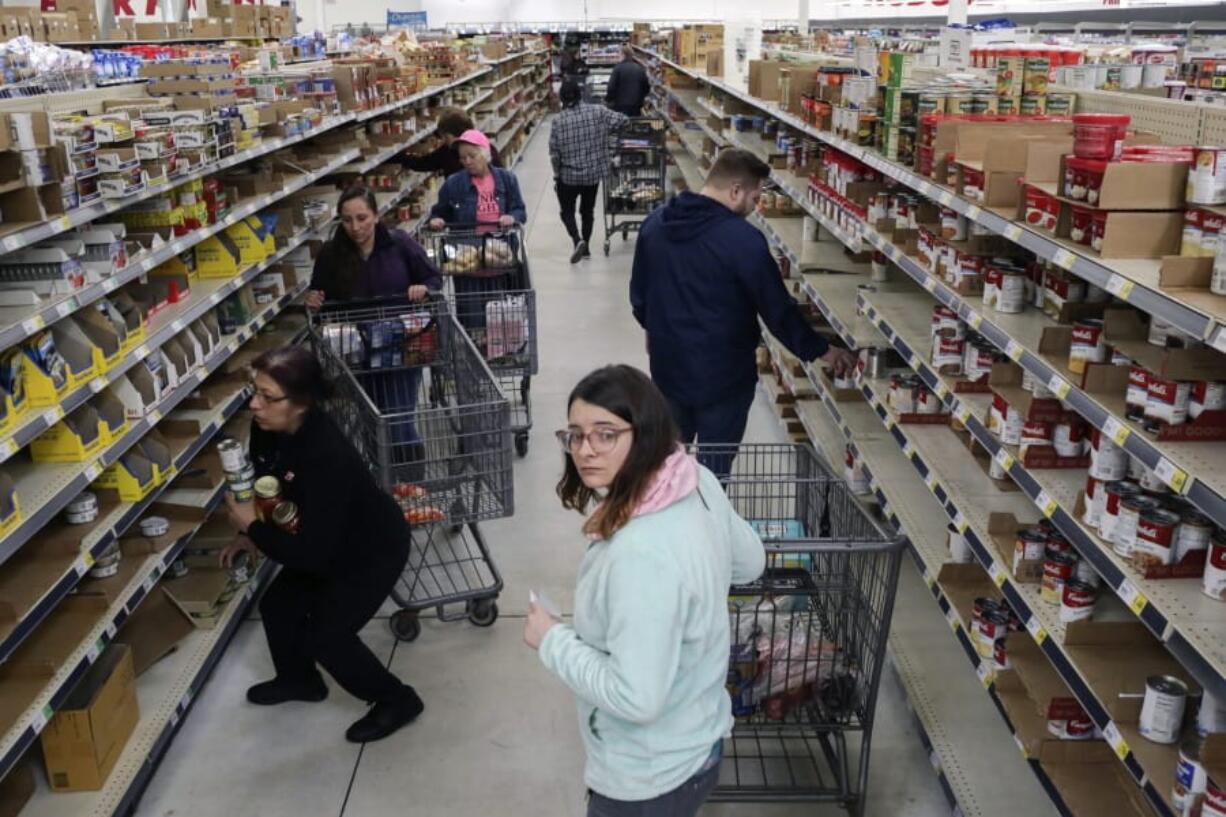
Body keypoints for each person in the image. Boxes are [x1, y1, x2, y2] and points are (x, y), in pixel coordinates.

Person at [523, 364, 766, 817]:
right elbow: (751, 562)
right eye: (575, 435)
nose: (585, 450)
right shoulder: (694, 480)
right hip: (701, 739)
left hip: (649, 777)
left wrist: (552, 640)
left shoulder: (640, 554)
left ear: (644, 433)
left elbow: (636, 697)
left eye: (605, 434)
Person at [221, 346, 424, 744]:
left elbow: (312, 555)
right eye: (254, 390)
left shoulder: (326, 455)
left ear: (302, 403)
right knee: (277, 606)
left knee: (328, 635)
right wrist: (248, 531)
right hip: (323, 536)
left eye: (267, 396)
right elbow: (269, 485)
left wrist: (256, 530)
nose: (254, 404)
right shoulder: (267, 430)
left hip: (371, 548)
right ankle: (300, 680)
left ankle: (397, 700)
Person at [629, 148, 858, 477]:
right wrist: (823, 350)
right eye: (754, 198)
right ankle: (708, 524)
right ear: (735, 190)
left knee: (664, 470)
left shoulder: (653, 226)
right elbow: (777, 311)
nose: (754, 208)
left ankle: (668, 522)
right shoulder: (744, 241)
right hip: (725, 380)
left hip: (669, 371)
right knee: (713, 473)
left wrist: (657, 330)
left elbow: (639, 297)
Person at [307, 186, 442, 465]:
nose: (355, 227)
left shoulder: (400, 244)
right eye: (347, 220)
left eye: (362, 218)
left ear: (376, 216)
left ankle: (410, 482)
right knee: (370, 420)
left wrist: (422, 288)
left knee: (399, 420)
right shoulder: (331, 255)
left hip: (402, 347)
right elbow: (319, 300)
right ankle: (382, 482)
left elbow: (433, 279)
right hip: (357, 352)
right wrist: (314, 301)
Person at [549, 78, 628, 263]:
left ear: (562, 98)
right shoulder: (598, 111)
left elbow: (554, 154)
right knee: (587, 211)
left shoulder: (558, 121)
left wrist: (556, 175)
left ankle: (577, 240)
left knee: (566, 211)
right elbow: (623, 120)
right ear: (580, 94)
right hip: (592, 175)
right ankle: (586, 247)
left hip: (568, 177)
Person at [427, 129, 526, 230]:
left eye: (472, 156)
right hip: (466, 243)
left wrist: (512, 217)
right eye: (463, 158)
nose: (468, 162)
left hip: (501, 241)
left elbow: (520, 211)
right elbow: (438, 213)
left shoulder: (507, 179)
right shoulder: (452, 184)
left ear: (485, 154)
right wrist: (435, 220)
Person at [394, 107, 502, 178]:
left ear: (449, 136)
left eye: (444, 137)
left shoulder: (447, 152)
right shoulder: (488, 148)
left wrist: (398, 157)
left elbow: (423, 163)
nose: (443, 141)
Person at [605, 45, 650, 117]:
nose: (617, 56)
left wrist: (608, 99)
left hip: (620, 105)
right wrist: (640, 99)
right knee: (634, 124)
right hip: (636, 105)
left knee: (621, 125)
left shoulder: (618, 68)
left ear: (623, 55)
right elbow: (646, 87)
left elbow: (611, 87)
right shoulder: (639, 68)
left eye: (619, 54)